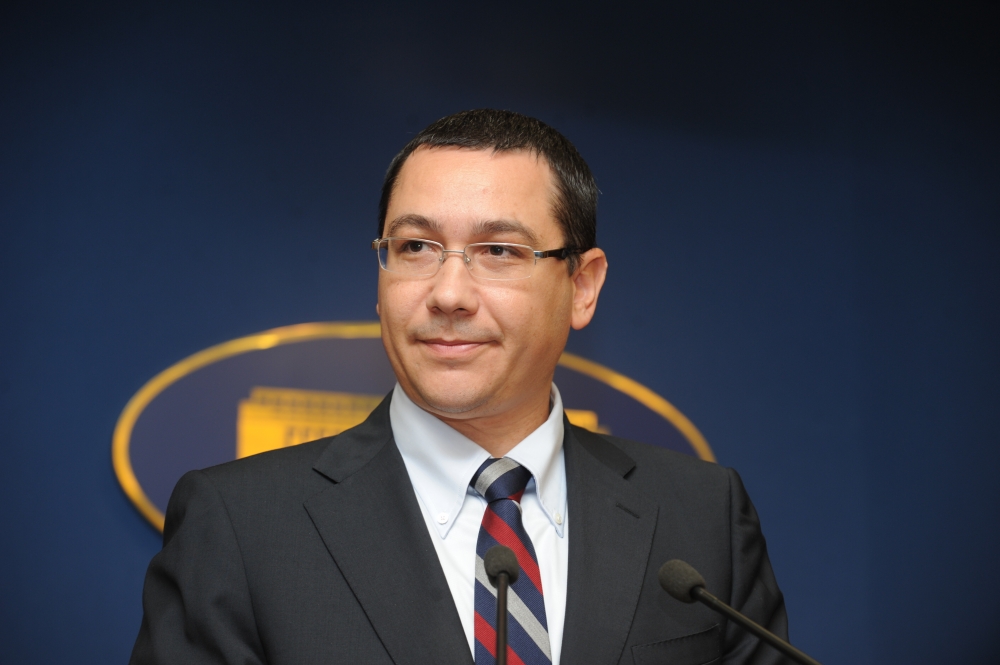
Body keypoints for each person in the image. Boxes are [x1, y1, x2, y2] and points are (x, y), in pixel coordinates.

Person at [130, 109, 788, 665]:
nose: (447, 293)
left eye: (498, 251)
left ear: (582, 286)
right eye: (415, 247)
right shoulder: (241, 526)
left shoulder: (702, 516)